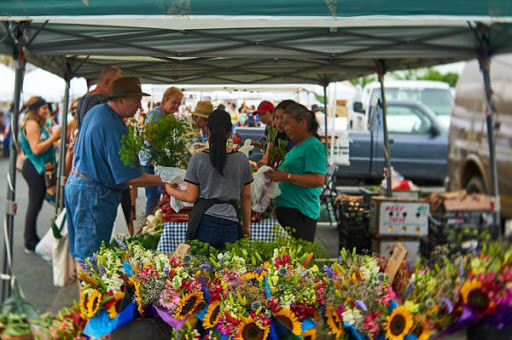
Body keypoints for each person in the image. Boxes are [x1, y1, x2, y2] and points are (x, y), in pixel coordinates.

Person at [65, 77, 165, 261]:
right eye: (136, 101)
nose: (139, 107)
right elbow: (130, 178)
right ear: (121, 100)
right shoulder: (114, 126)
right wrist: (163, 179)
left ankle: (84, 289)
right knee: (90, 258)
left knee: (82, 254)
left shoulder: (97, 111)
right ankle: (86, 290)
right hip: (93, 194)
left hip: (79, 186)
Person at [164, 109, 252, 250]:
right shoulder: (242, 159)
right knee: (229, 270)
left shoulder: (197, 159)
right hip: (232, 222)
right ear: (229, 133)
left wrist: (170, 190)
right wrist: (246, 226)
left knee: (201, 268)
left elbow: (191, 196)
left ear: (207, 131)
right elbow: (246, 197)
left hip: (205, 222)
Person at [265, 102, 327, 242]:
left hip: (301, 212)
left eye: (288, 123)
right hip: (289, 209)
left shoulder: (313, 146)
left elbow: (318, 180)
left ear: (303, 123)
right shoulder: (299, 145)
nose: (285, 128)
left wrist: (286, 177)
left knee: (297, 260)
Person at [20, 96, 61, 252]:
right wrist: (54, 137)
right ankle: (29, 240)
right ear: (36, 110)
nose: (47, 110)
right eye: (44, 108)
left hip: (41, 168)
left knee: (36, 203)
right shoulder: (31, 124)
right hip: (34, 169)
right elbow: (36, 149)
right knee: (35, 203)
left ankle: (31, 238)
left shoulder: (38, 124)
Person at [139, 87, 183, 215]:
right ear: (165, 99)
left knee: (160, 194)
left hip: (157, 162)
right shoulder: (156, 114)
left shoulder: (166, 116)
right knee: (153, 196)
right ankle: (148, 220)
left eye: (179, 103)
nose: (176, 106)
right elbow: (149, 137)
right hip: (150, 162)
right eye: (174, 102)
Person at [257, 99, 296, 168]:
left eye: (282, 118)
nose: (279, 122)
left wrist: (287, 176)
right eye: (277, 118)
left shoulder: (299, 141)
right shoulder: (275, 133)